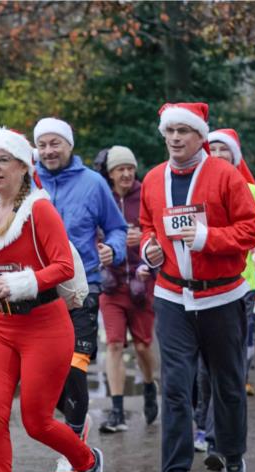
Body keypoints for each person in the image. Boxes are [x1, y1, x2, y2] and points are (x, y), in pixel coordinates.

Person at [0, 127, 104, 472]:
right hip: (0, 326)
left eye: (3, 160)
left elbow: (64, 266)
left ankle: (86, 461)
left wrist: (22, 282)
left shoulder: (39, 210)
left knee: (36, 421)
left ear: (24, 166)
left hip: (46, 325)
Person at [138, 102, 255, 472]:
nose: (175, 138)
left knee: (228, 386)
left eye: (183, 131)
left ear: (200, 136)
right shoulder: (153, 179)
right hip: (172, 296)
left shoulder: (225, 175)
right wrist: (149, 250)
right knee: (176, 386)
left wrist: (208, 237)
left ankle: (233, 460)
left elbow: (252, 230)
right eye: (169, 131)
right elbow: (147, 226)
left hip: (222, 296)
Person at [34, 117, 127, 472]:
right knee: (43, 375)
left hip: (82, 287)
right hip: (38, 292)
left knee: (75, 367)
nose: (48, 151)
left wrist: (113, 249)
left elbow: (117, 228)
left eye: (55, 143)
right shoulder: (27, 182)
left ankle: (72, 449)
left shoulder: (93, 183)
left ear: (69, 145)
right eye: (42, 144)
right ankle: (77, 417)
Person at [193, 129, 255, 464]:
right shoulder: (193, 185)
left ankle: (214, 440)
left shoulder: (248, 189)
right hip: (198, 285)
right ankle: (202, 423)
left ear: (235, 155)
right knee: (202, 365)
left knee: (225, 363)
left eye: (224, 149)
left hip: (241, 285)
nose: (218, 154)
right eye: (213, 148)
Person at [98, 146, 160, 433]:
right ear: (110, 173)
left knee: (143, 346)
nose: (126, 174)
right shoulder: (103, 197)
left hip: (141, 282)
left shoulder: (147, 194)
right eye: (119, 169)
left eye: (130, 168)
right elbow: (91, 231)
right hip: (111, 285)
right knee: (113, 344)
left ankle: (149, 384)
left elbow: (159, 231)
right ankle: (117, 410)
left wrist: (144, 238)